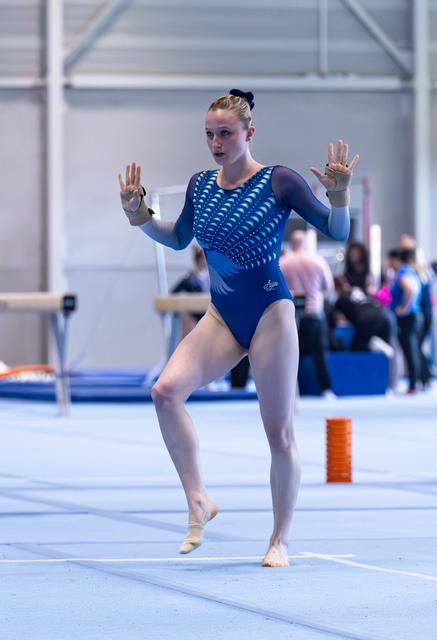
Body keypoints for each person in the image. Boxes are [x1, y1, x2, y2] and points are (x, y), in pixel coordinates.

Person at [118, 89, 359, 567]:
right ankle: (199, 499)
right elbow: (178, 238)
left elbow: (338, 231)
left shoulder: (279, 181)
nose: (216, 142)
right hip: (223, 315)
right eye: (209, 134)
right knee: (165, 392)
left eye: (225, 133)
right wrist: (139, 217)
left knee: (279, 434)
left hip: (271, 313)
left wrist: (339, 195)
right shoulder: (200, 185)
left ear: (249, 133)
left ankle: (279, 539)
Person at [280, 230, 335, 398]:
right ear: (305, 243)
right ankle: (326, 390)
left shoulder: (282, 262)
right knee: (320, 353)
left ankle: (290, 392)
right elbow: (329, 290)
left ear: (292, 243)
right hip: (313, 313)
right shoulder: (317, 261)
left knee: (289, 354)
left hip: (290, 314)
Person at [388, 248, 422, 394]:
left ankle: (413, 384)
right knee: (412, 350)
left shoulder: (402, 273)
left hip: (408, 317)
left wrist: (404, 308)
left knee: (409, 350)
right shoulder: (411, 271)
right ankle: (415, 383)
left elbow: (410, 290)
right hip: (414, 316)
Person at [171, 245, 210, 339]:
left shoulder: (212, 278)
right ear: (199, 261)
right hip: (193, 314)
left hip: (208, 313)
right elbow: (173, 292)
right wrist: (179, 311)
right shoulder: (189, 278)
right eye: (203, 259)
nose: (205, 262)